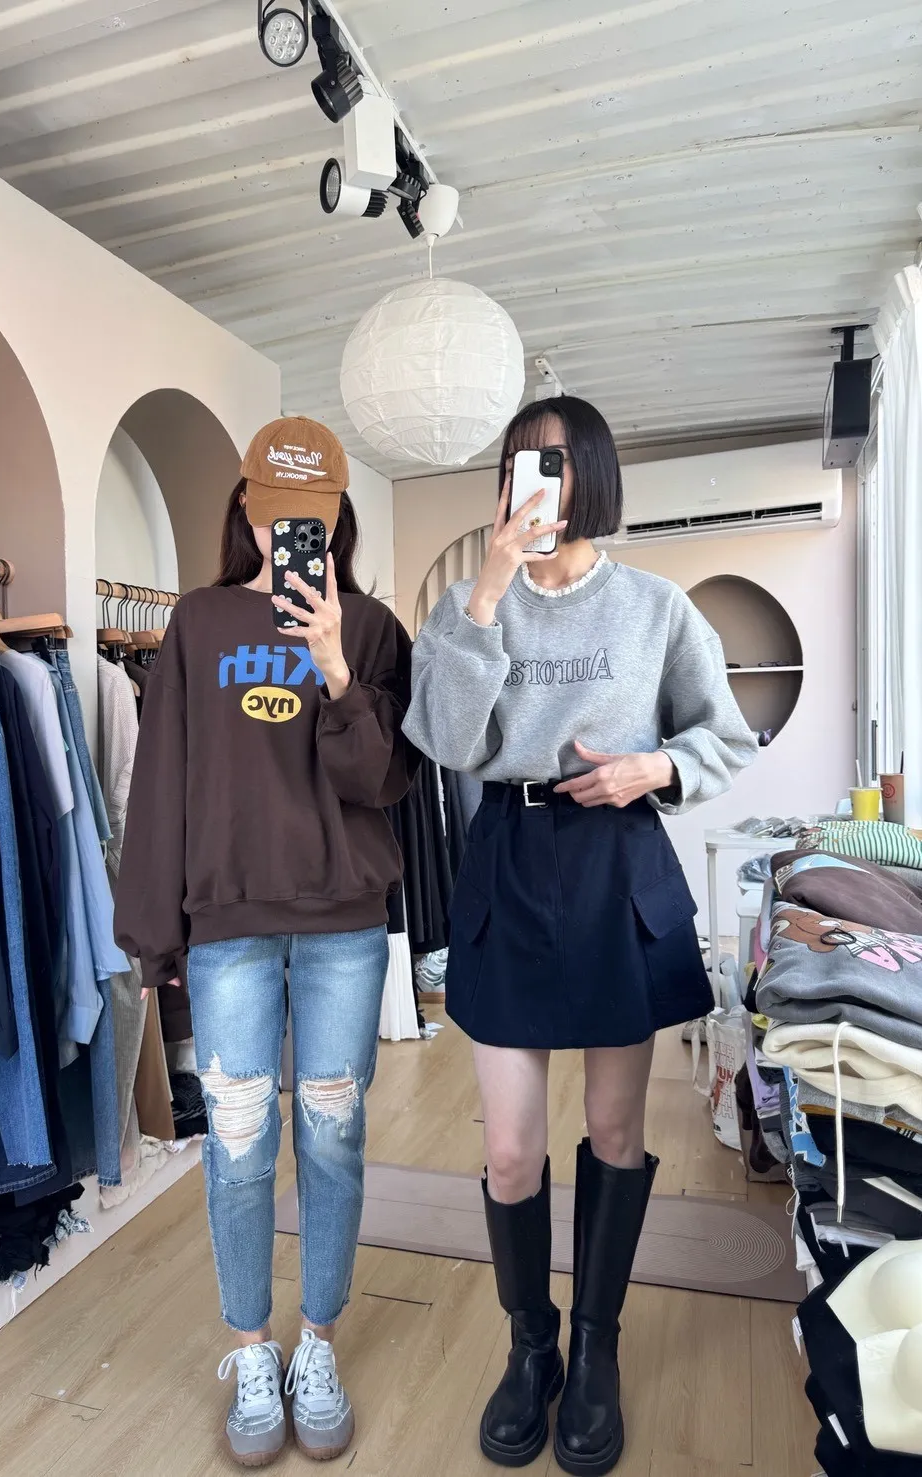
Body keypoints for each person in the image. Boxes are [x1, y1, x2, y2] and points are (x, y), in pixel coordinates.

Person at [403, 397, 757, 1475]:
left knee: (613, 1130)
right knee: (510, 1148)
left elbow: (725, 734)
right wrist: (488, 589)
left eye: (552, 462)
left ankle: (597, 1345)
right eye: (519, 462)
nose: (534, 479)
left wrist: (655, 766)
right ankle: (533, 1347)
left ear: (589, 474)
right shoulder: (470, 605)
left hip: (614, 866)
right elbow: (446, 740)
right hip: (510, 858)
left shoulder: (655, 606)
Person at [115, 416, 418, 1467]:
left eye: (313, 518)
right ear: (246, 506)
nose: (294, 531)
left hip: (342, 927)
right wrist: (152, 933)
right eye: (278, 513)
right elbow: (162, 782)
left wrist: (333, 665)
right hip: (230, 928)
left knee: (332, 1138)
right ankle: (253, 1351)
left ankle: (317, 1342)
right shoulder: (196, 623)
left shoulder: (371, 628)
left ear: (336, 518)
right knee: (238, 1146)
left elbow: (382, 782)